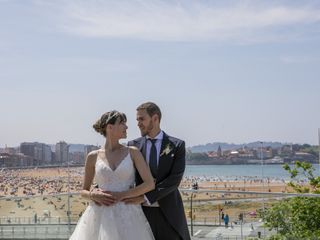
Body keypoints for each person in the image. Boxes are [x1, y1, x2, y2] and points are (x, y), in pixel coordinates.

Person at [69, 110, 155, 240]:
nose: (126, 127)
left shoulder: (133, 152)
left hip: (129, 216)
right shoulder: (93, 156)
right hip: (99, 216)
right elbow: (83, 191)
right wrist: (93, 195)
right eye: (122, 123)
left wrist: (122, 195)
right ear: (110, 127)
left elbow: (149, 184)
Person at [126, 102, 191, 240]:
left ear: (155, 119)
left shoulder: (177, 145)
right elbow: (124, 173)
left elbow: (174, 180)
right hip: (141, 213)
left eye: (141, 119)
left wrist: (145, 197)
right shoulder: (132, 146)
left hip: (170, 213)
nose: (138, 123)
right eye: (137, 120)